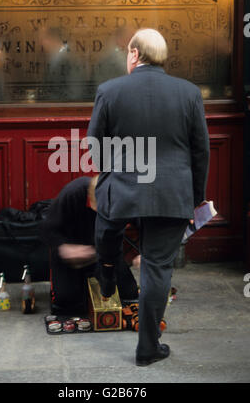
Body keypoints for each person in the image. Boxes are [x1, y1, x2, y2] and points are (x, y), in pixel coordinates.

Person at [87, 28, 210, 366]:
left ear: (134, 54)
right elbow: (201, 150)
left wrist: (112, 172)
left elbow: (95, 145)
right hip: (172, 194)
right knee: (157, 270)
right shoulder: (188, 93)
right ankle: (148, 348)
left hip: (123, 188)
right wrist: (194, 197)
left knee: (106, 228)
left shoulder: (109, 90)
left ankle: (107, 272)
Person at [40, 176, 140, 315]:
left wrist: (145, 252)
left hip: (106, 252)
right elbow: (47, 229)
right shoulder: (74, 192)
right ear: (91, 198)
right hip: (71, 255)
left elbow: (144, 224)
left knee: (129, 294)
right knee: (67, 304)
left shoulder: (125, 197)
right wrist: (64, 248)